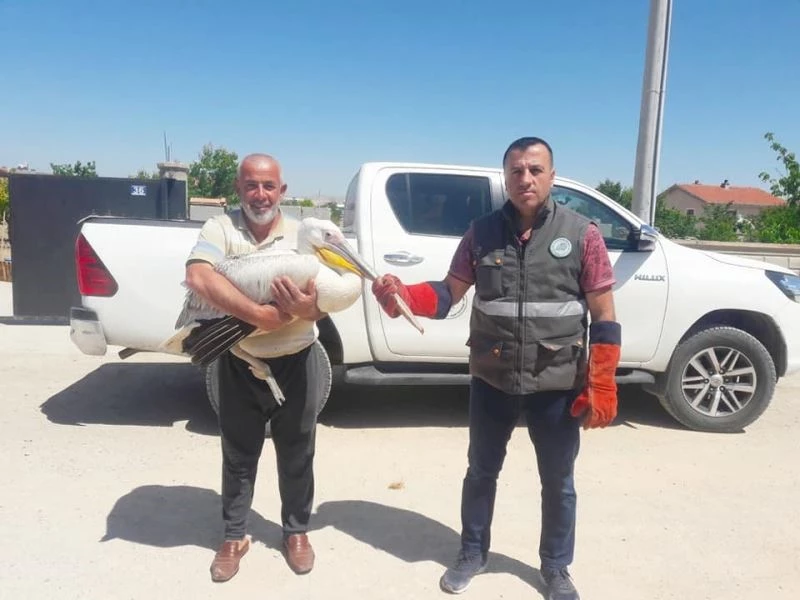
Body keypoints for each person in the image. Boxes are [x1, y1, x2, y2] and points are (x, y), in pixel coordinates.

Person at [371, 137, 620, 600]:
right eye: (516, 171)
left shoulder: (582, 235)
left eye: (535, 170)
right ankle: (472, 552)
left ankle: (556, 567)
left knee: (559, 482)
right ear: (505, 178)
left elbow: (604, 315)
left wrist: (602, 382)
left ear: (551, 176)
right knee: (481, 472)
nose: (525, 179)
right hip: (493, 377)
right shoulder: (480, 233)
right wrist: (405, 296)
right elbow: (448, 293)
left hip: (556, 382)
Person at [183, 153, 326, 582]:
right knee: (238, 453)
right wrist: (260, 315)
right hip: (240, 361)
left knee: (298, 451)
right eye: (251, 185)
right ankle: (234, 535)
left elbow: (326, 294)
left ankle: (296, 532)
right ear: (238, 189)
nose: (260, 194)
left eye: (268, 186)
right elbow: (199, 277)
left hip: (297, 358)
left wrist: (309, 308)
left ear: (282, 190)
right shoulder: (220, 229)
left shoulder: (304, 235)